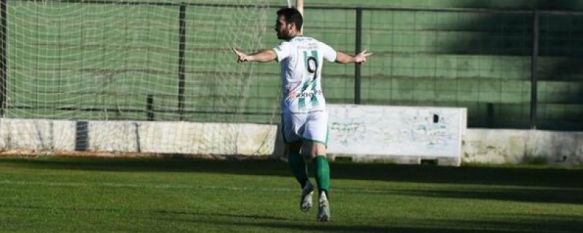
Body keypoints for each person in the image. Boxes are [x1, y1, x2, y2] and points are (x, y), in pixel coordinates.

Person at [232, 7, 371, 222]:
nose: (275, 27)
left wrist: (249, 57)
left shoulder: (288, 47)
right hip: (317, 109)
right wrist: (355, 58)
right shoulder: (317, 44)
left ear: (291, 25)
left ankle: (307, 186)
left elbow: (270, 54)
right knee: (319, 153)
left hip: (294, 110)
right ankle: (322, 193)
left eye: (279, 23)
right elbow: (338, 56)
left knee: (294, 151)